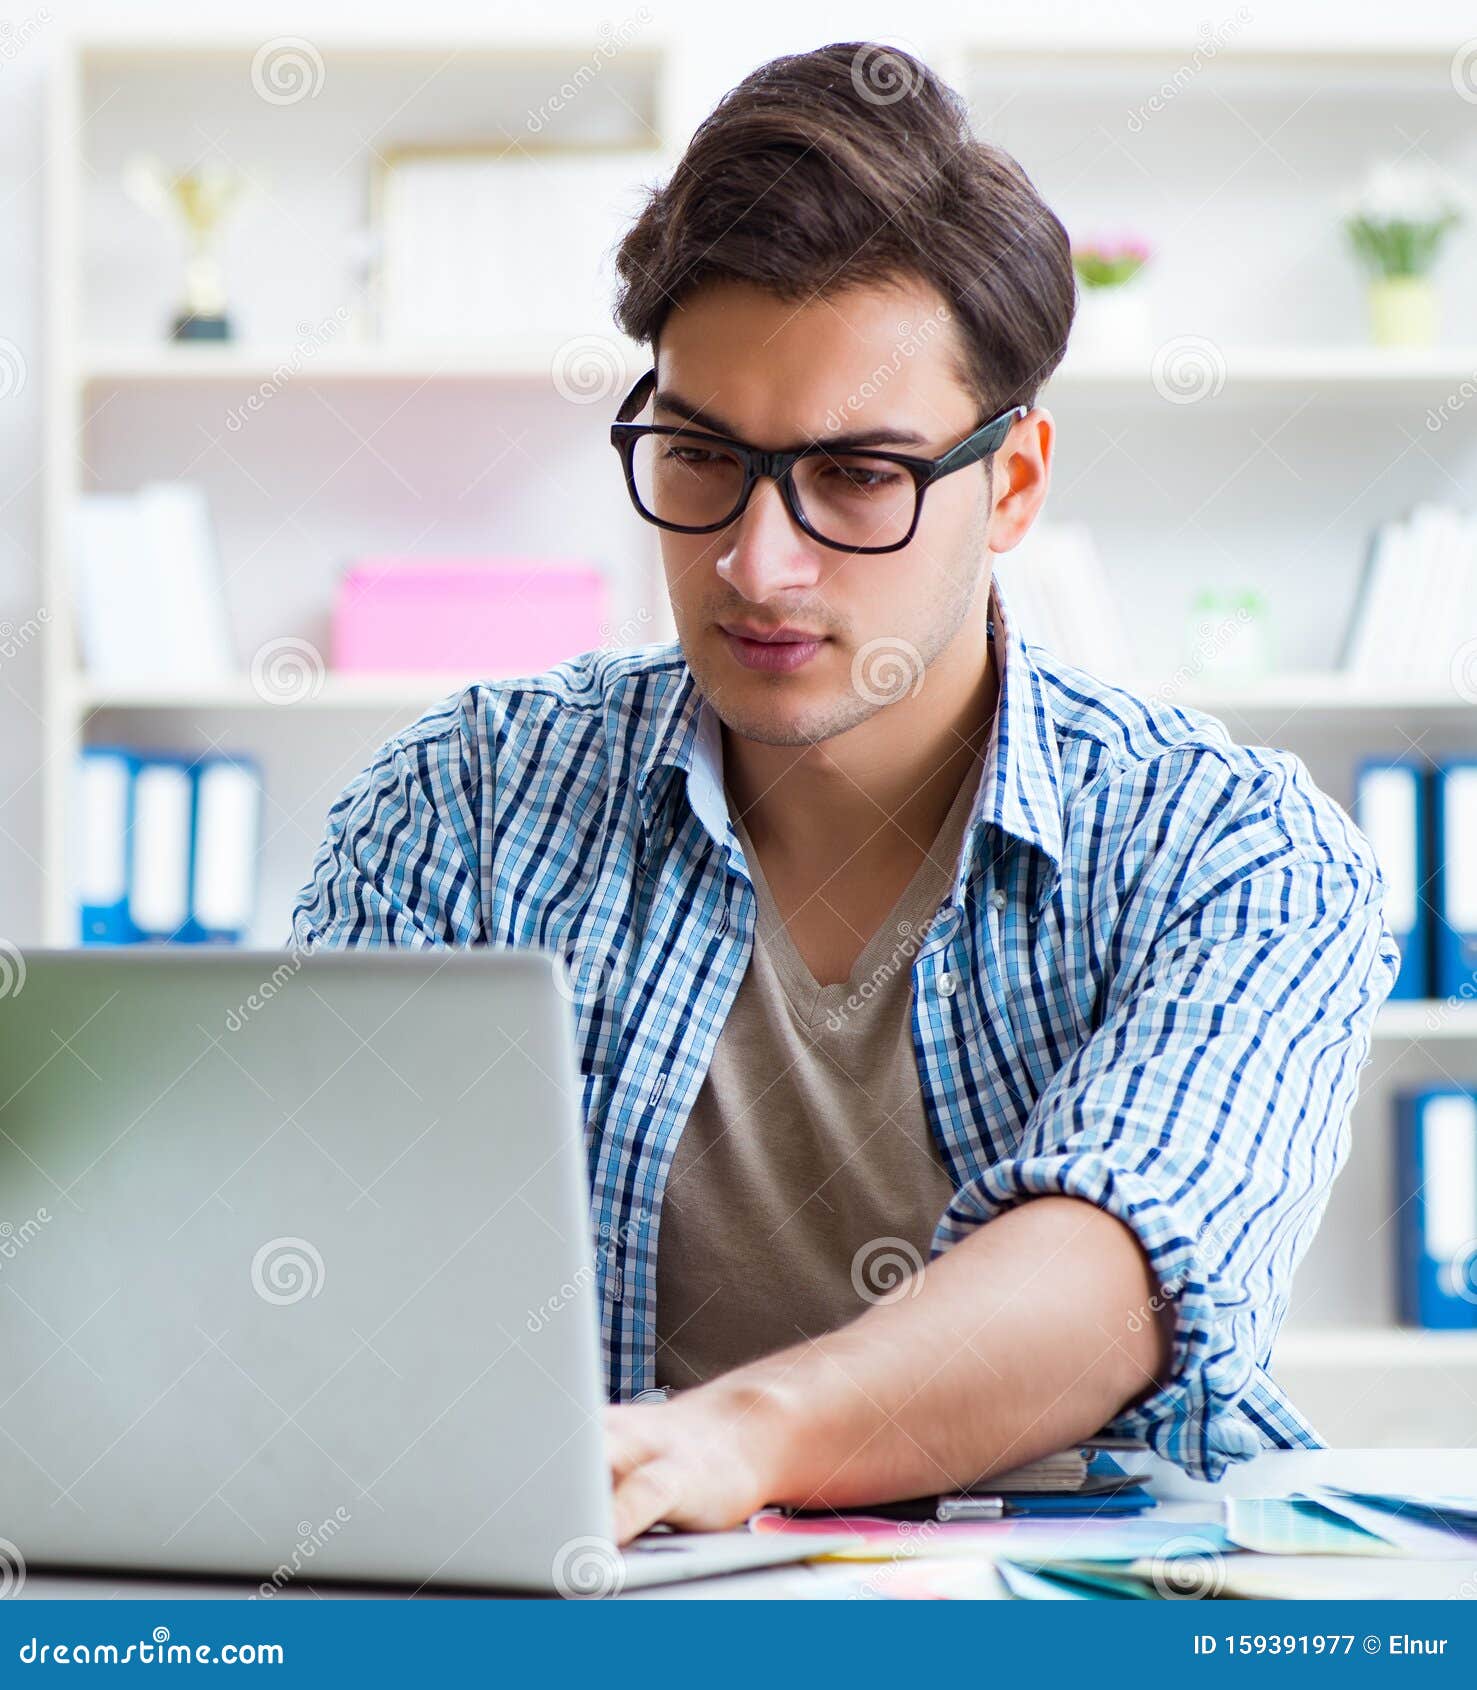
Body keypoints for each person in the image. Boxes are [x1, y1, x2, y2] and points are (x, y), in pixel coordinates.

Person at [293, 42, 1399, 1543]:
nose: (758, 562)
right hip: (578, 1622)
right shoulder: (462, 801)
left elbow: (1115, 1274)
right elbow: (308, 1261)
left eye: (858, 477)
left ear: (1009, 486)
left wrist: (736, 1438)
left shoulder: (1236, 851)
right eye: (699, 456)